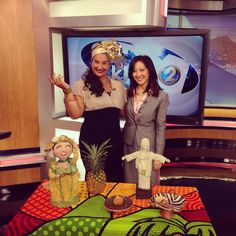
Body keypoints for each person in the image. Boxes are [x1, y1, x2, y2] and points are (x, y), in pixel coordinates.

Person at [50, 40, 126, 182]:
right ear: (91, 62)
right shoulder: (82, 85)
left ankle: (114, 204)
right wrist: (67, 91)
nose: (100, 66)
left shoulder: (118, 86)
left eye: (104, 63)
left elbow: (124, 113)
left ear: (109, 64)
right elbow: (75, 114)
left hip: (115, 142)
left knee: (116, 178)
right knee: (95, 180)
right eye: (96, 62)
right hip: (92, 143)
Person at [123, 55, 169, 186]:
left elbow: (161, 127)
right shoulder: (128, 93)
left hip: (148, 146)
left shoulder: (161, 97)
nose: (138, 74)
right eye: (135, 71)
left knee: (147, 183)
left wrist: (158, 156)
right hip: (129, 144)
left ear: (150, 71)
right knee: (129, 182)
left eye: (142, 70)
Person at [46, 135, 80, 208]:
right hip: (59, 185)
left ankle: (70, 199)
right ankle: (62, 200)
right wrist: (55, 175)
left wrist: (76, 148)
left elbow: (76, 156)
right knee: (61, 194)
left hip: (70, 186)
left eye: (68, 146)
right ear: (53, 151)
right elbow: (51, 174)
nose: (64, 150)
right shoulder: (54, 165)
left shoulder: (72, 162)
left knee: (70, 193)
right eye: (59, 147)